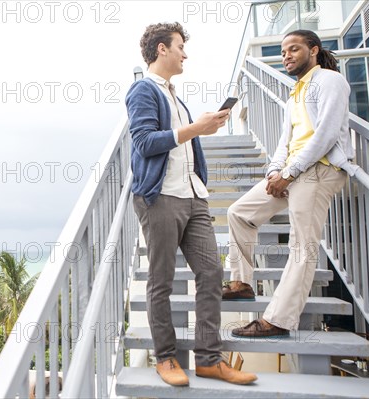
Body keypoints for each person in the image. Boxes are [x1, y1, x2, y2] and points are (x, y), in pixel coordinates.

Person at [126, 22, 258, 386]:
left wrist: (203, 128)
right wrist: (196, 128)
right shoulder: (142, 90)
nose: (186, 53)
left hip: (193, 195)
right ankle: (166, 358)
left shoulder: (177, 98)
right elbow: (146, 143)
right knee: (161, 280)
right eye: (180, 46)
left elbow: (180, 140)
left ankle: (209, 360)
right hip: (161, 197)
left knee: (212, 274)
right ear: (161, 50)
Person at [225, 30, 355, 338]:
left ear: (313, 50)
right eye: (283, 52)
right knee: (239, 213)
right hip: (293, 173)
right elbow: (285, 142)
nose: (287, 56)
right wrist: (274, 172)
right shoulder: (295, 93)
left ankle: (279, 320)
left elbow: (325, 135)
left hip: (319, 171)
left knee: (302, 245)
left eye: (294, 49)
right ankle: (242, 283)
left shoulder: (330, 81)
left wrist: (291, 172)